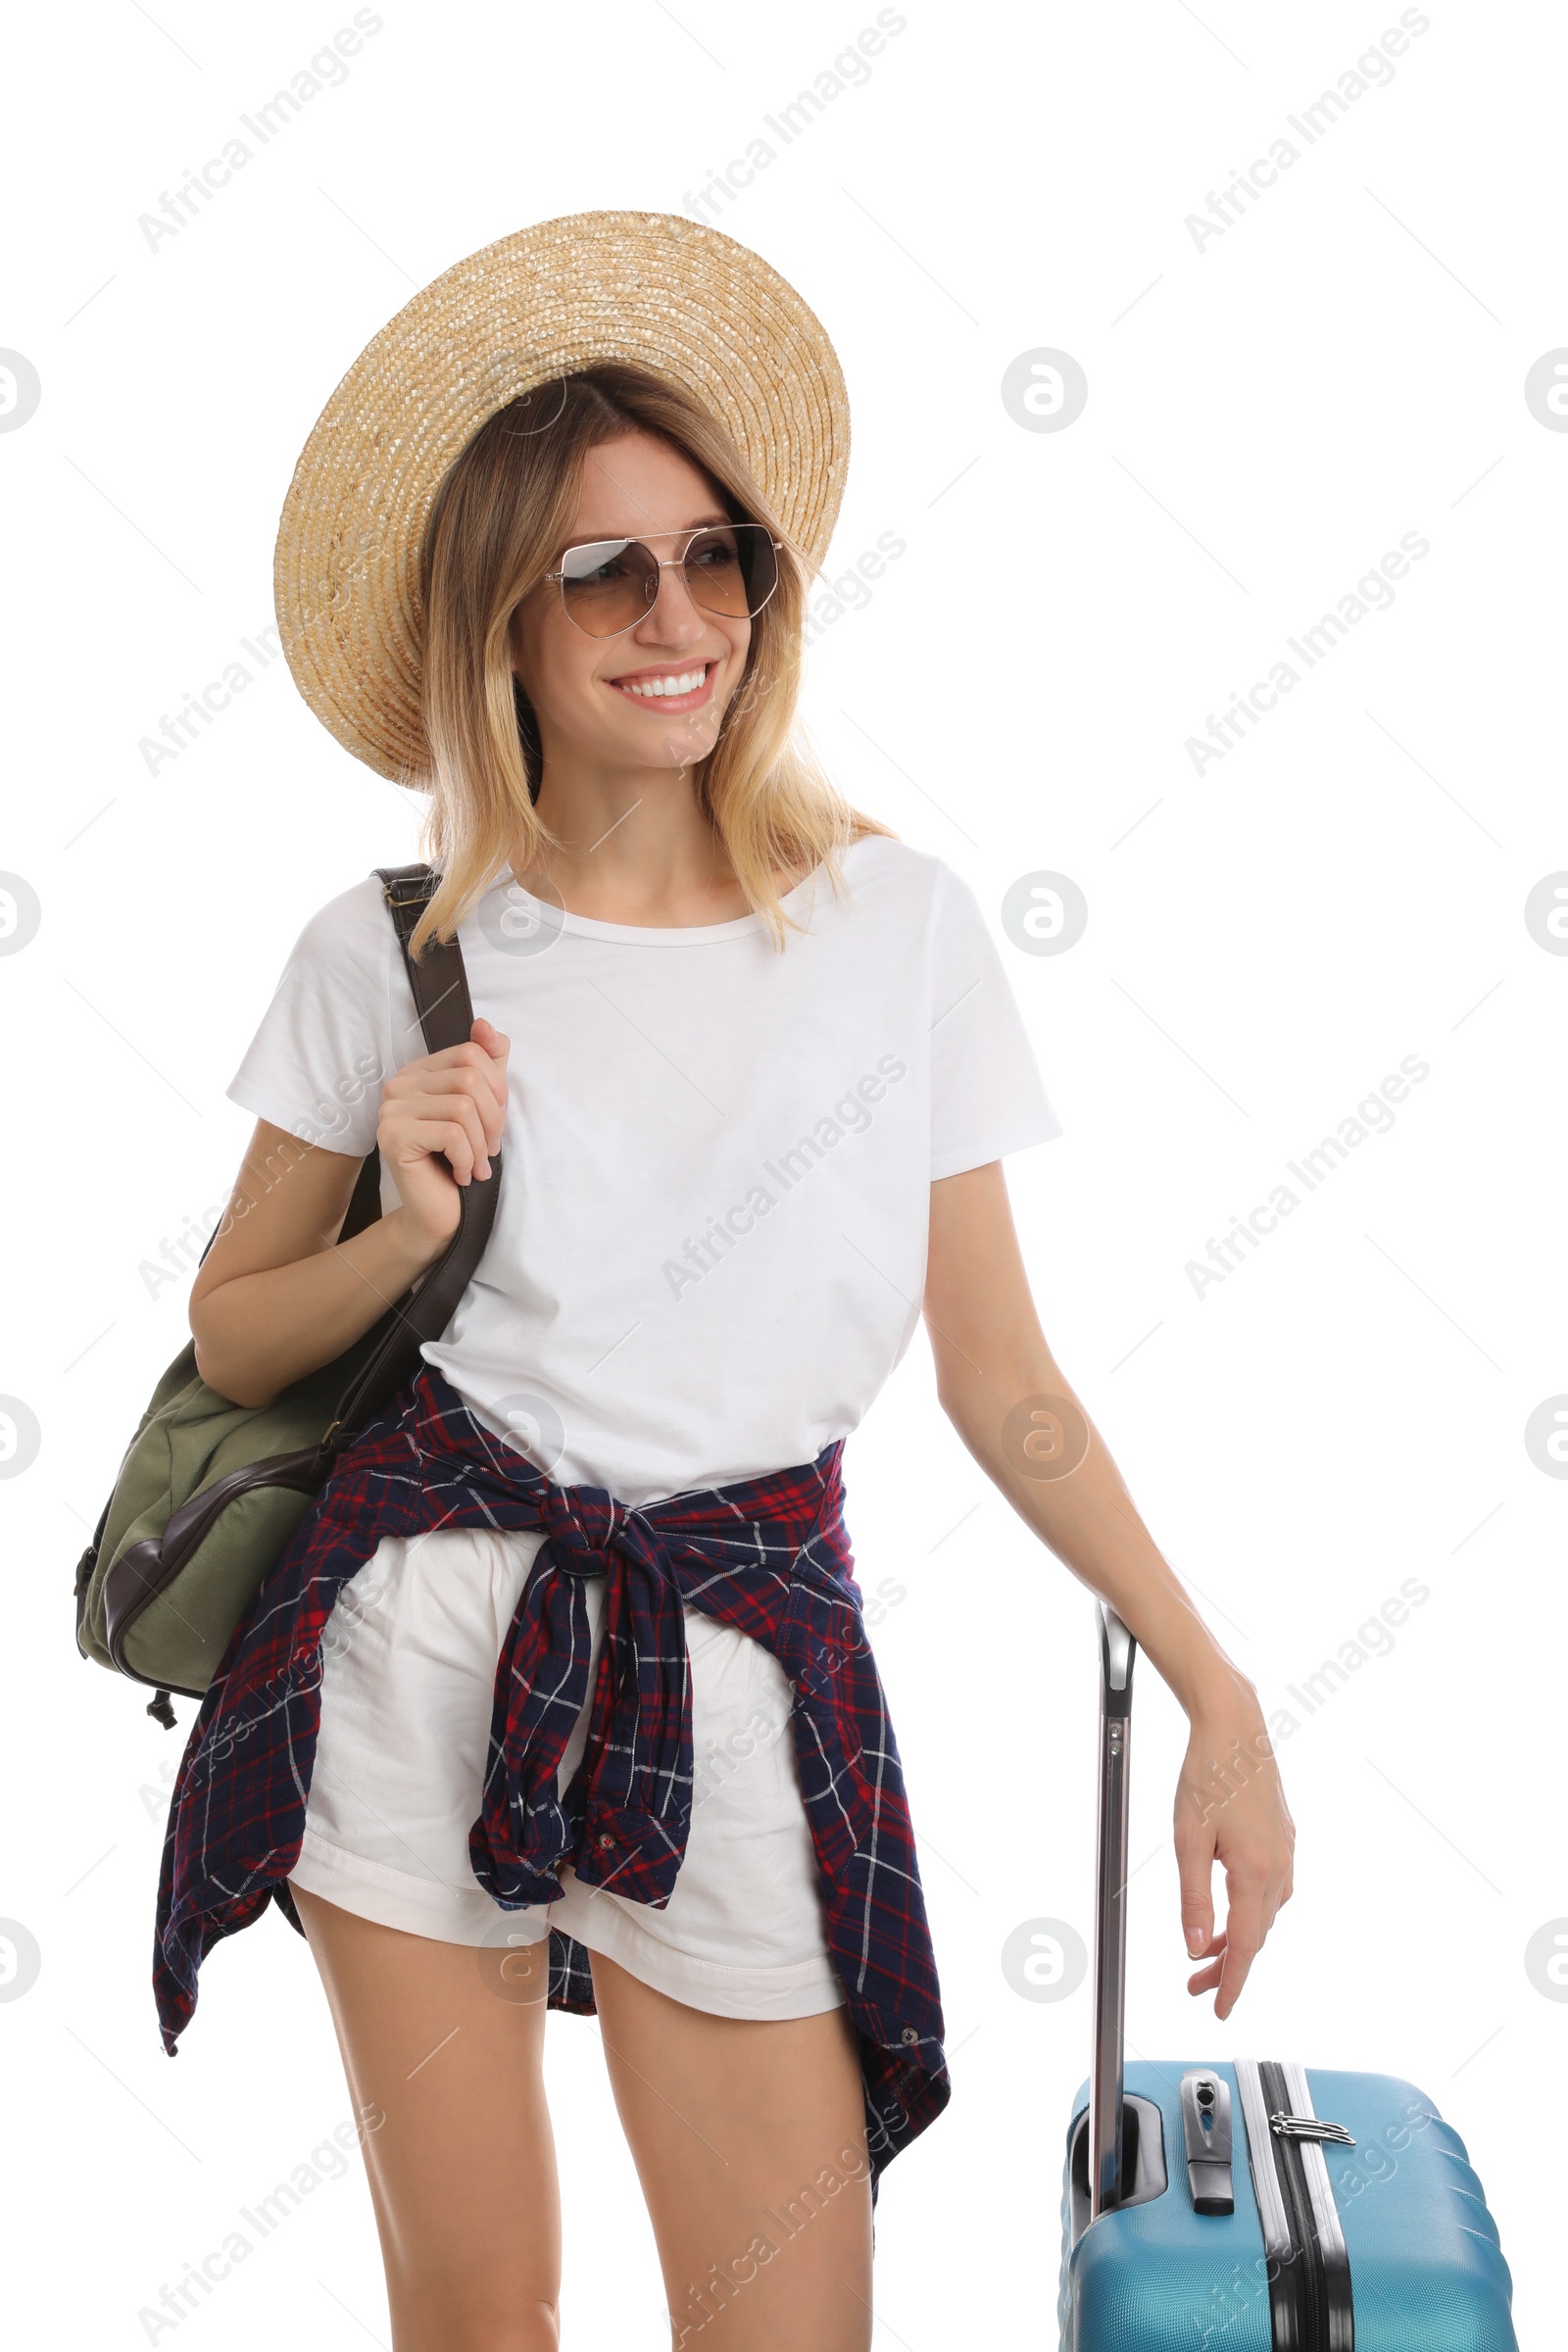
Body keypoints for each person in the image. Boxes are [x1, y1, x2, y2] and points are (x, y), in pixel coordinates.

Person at [155, 214, 1295, 2352]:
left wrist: (1210, 1691)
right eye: (604, 571)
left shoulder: (894, 928)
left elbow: (1001, 1376)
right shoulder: (391, 955)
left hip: (741, 1659)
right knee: (479, 2317)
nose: (676, 617)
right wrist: (398, 1237)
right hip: (415, 1653)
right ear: (498, 619)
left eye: (715, 556)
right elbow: (233, 1330)